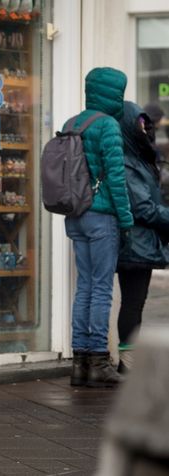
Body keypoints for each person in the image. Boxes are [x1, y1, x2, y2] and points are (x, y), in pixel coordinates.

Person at [64, 67, 133, 388]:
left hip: (75, 214)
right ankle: (99, 361)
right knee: (102, 289)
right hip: (102, 215)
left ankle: (80, 363)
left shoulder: (72, 123)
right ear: (115, 94)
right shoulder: (108, 126)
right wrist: (127, 219)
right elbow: (117, 178)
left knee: (85, 287)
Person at [116, 101, 169, 372]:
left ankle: (129, 362)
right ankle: (127, 364)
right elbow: (143, 208)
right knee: (133, 302)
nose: (144, 127)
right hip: (135, 242)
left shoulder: (138, 159)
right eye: (139, 122)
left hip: (141, 241)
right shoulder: (128, 163)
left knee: (136, 302)